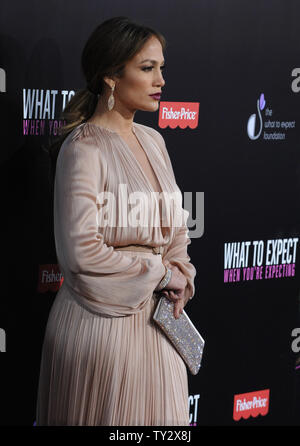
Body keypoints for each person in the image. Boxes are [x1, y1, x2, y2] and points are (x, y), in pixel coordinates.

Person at [36, 16, 197, 426]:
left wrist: (180, 269)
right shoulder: (84, 148)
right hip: (102, 327)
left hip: (159, 327)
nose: (161, 79)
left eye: (161, 67)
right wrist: (161, 272)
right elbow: (80, 253)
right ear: (111, 76)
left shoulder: (154, 141)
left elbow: (177, 227)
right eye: (147, 68)